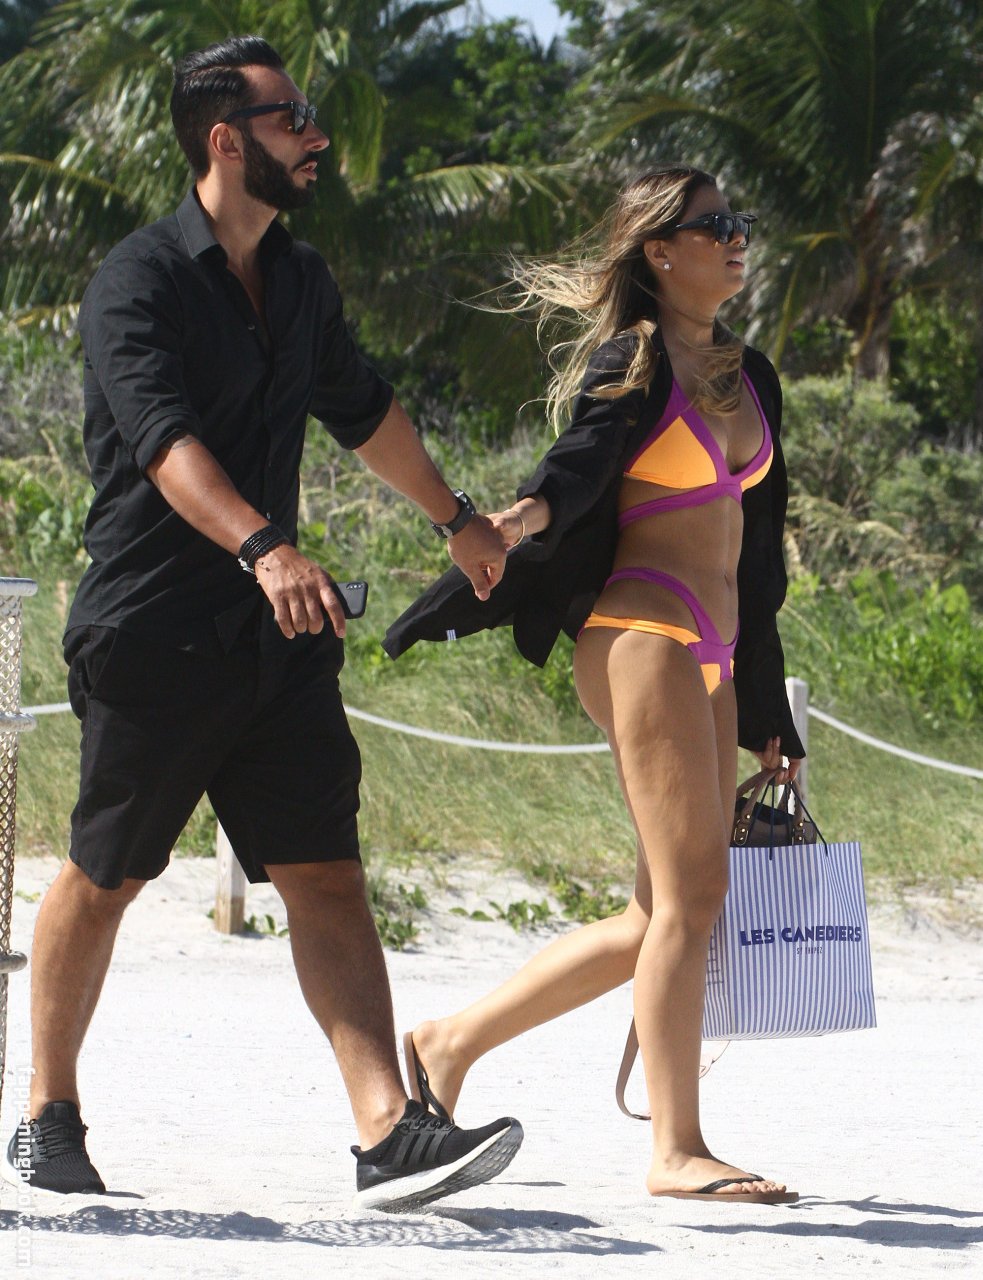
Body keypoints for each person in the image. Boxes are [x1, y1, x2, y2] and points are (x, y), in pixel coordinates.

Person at [1, 35, 523, 1213]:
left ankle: (386, 1130)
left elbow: (363, 409)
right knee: (108, 871)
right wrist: (261, 545)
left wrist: (457, 519)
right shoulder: (137, 280)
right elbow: (162, 442)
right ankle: (47, 1112)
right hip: (154, 631)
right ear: (226, 140)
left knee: (325, 872)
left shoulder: (299, 277)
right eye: (295, 120)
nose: (317, 137)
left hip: (277, 641)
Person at [385, 166, 805, 1203]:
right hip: (640, 631)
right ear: (659, 250)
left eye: (738, 221)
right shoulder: (636, 360)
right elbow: (575, 467)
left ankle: (446, 1042)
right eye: (714, 224)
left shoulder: (751, 375)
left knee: (653, 912)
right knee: (693, 897)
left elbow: (758, 562)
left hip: (714, 644)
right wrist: (513, 521)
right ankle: (674, 1149)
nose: (736, 238)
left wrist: (765, 713)